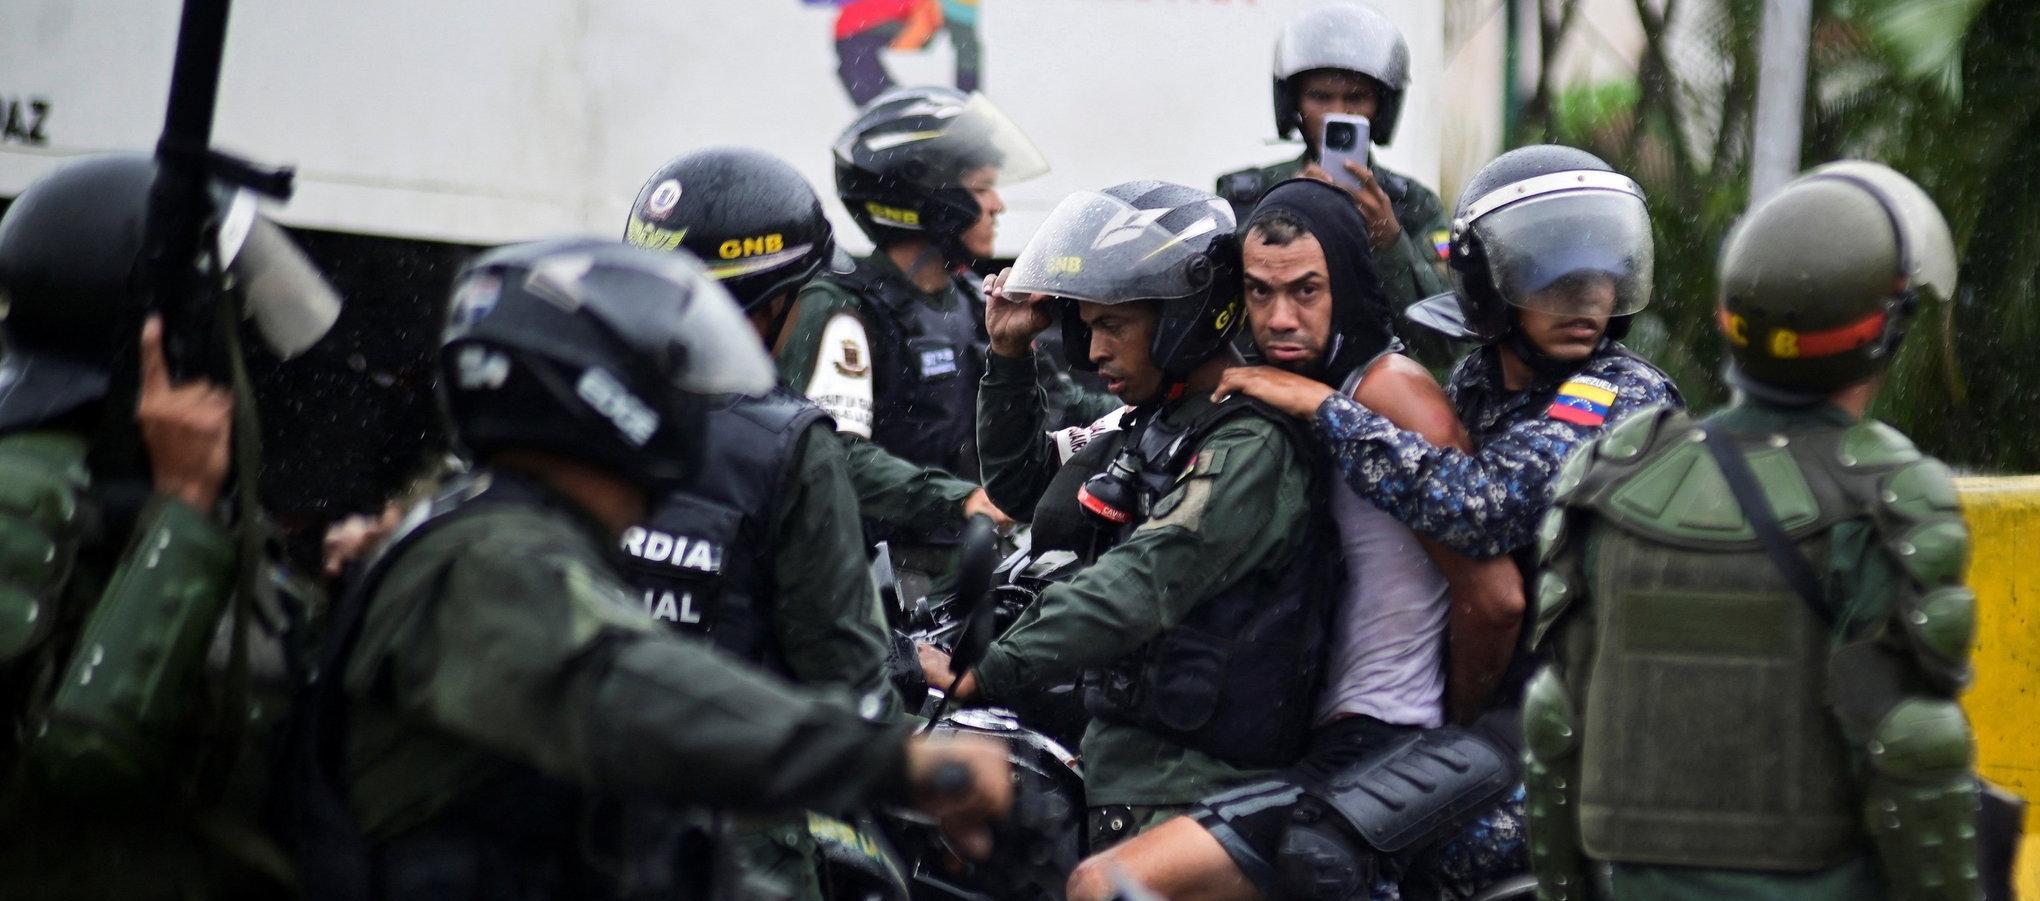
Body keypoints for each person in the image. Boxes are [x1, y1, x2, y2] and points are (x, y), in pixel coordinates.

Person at [312, 238, 1011, 899]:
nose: (688, 409)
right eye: (662, 380)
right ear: (599, 397)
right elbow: (633, 691)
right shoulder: (493, 559)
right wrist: (890, 760)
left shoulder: (506, 535)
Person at [1210, 145, 1681, 897]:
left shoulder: (1620, 391)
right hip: (1522, 713)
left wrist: (1324, 408)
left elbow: (1484, 510)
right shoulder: (1481, 379)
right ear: (1491, 286)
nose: (1586, 299)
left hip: (1601, 728)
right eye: (1555, 278)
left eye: (1599, 276)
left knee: (1388, 847)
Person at [1524, 162, 1981, 901]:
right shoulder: (1881, 494)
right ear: (1883, 333)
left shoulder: (1612, 473)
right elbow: (1913, 753)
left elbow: (1556, 728)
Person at [1066, 178, 1527, 901]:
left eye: (1306, 291)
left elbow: (1494, 597)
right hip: (1299, 735)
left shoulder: (1388, 389)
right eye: (1258, 292)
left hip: (1378, 742)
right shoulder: (1276, 384)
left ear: (1342, 281)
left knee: (1109, 884)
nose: (1280, 317)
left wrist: (1451, 727)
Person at [922, 180, 1341, 853]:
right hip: (1124, 765)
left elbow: (1142, 580)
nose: (1092, 352)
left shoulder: (1248, 443)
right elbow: (1025, 484)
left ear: (1184, 316)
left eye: (1112, 325)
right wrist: (1007, 355)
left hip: (1187, 789)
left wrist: (990, 664)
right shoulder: (1156, 422)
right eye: (1086, 327)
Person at [0, 153, 343, 898]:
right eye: (230, 311)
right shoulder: (20, 490)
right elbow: (84, 759)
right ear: (164, 334)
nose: (246, 339)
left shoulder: (184, 494)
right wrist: (183, 514)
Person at [621, 146, 910, 898]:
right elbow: (846, 676)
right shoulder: (786, 443)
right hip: (735, 830)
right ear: (771, 303)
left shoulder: (578, 411)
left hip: (586, 811)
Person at [782, 85, 1114, 491]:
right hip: (882, 550)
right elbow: (832, 452)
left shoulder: (974, 300)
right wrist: (959, 502)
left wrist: (1171, 406)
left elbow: (1065, 406)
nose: (997, 205)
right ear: (929, 199)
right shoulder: (843, 307)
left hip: (976, 544)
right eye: (981, 188)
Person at [1216, 1, 1451, 352]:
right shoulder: (1248, 194)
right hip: (1262, 389)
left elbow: (1441, 343)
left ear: (1382, 108)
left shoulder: (1414, 205)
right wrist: (1287, 212)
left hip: (1373, 389)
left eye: (1356, 97)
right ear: (1293, 103)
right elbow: (1217, 314)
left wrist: (1388, 240)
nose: (1337, 113)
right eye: (1320, 96)